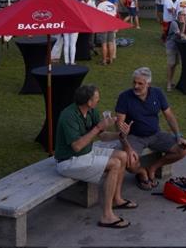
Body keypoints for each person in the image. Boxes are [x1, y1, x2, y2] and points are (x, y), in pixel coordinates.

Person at [55, 84, 136, 229]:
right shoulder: (68, 116)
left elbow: (103, 136)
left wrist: (120, 135)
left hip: (87, 152)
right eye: (96, 98)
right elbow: (77, 146)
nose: (99, 100)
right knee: (115, 164)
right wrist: (98, 127)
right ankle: (107, 216)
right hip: (69, 161)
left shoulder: (91, 111)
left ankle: (117, 199)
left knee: (122, 156)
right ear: (88, 101)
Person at [115, 67, 186, 190]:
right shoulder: (125, 97)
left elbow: (169, 115)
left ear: (148, 84)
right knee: (129, 162)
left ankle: (153, 168)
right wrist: (127, 146)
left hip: (156, 134)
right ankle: (141, 172)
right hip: (134, 137)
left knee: (184, 149)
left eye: (140, 83)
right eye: (134, 82)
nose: (136, 86)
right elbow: (119, 124)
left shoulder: (157, 93)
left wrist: (178, 136)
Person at [165, 9, 186, 92]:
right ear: (178, 15)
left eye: (185, 15)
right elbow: (179, 34)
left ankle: (171, 80)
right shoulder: (174, 23)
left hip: (179, 47)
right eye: (183, 15)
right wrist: (183, 26)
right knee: (170, 64)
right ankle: (168, 83)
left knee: (175, 64)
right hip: (171, 45)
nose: (184, 17)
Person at [96, 0, 118, 65]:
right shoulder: (112, 5)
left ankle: (104, 60)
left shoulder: (101, 5)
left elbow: (97, 15)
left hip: (104, 25)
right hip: (111, 25)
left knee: (104, 44)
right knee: (111, 43)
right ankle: (111, 60)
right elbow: (115, 15)